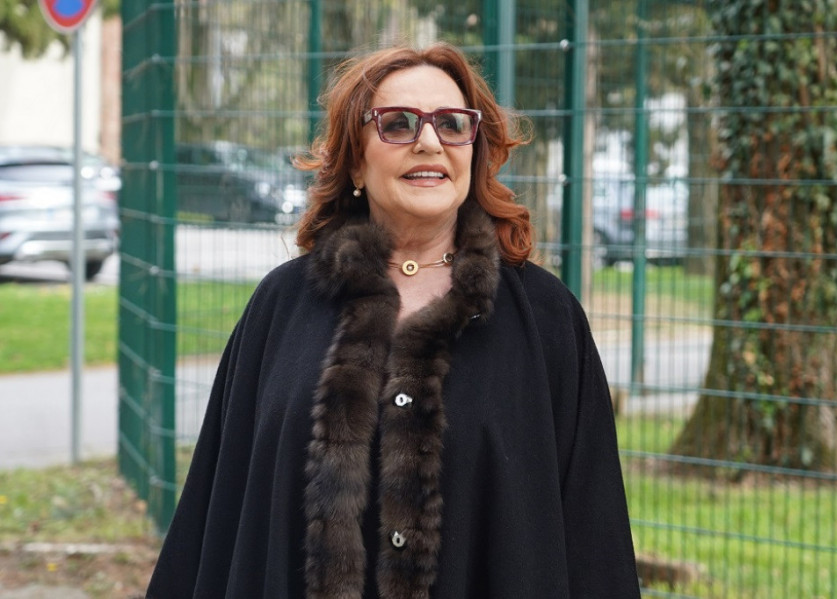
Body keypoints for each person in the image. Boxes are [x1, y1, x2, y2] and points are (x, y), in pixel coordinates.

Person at [146, 42, 640, 598]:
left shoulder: (547, 320)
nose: (429, 141)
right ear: (356, 160)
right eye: (398, 123)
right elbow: (218, 511)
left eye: (452, 124)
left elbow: (593, 534)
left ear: (474, 152)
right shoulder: (279, 306)